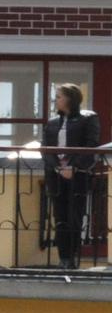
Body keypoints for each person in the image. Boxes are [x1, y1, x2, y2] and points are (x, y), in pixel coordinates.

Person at [43, 83, 102, 270]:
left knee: (74, 216)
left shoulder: (88, 118)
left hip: (78, 176)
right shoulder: (52, 123)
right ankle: (64, 259)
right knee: (59, 217)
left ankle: (73, 258)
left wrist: (73, 167)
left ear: (70, 98)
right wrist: (58, 168)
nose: (56, 100)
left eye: (59, 96)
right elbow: (45, 150)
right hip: (56, 176)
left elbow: (90, 145)